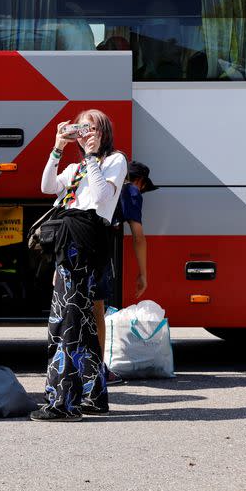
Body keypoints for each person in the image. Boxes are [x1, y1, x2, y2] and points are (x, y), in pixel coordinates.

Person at [31, 109, 128, 421]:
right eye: (82, 127)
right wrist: (57, 148)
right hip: (68, 243)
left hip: (87, 243)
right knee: (83, 325)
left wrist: (91, 157)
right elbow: (47, 187)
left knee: (65, 324)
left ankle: (63, 403)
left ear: (104, 133)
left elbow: (101, 198)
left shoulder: (114, 161)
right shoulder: (74, 167)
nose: (86, 132)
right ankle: (94, 396)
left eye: (93, 127)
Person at [93, 160, 158, 384]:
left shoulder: (102, 184)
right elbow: (138, 236)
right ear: (139, 182)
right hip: (94, 251)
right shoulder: (130, 190)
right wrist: (143, 274)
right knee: (97, 309)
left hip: (72, 247)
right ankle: (98, 370)